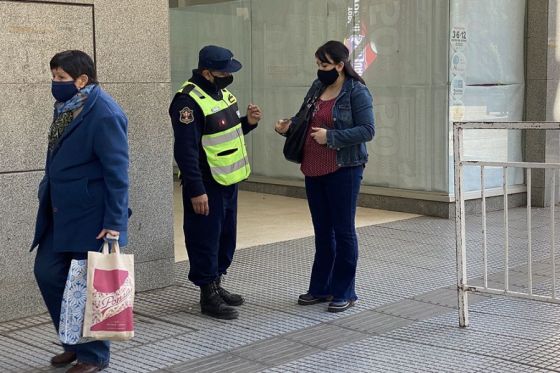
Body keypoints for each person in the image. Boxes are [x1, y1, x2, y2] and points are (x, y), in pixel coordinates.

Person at [31, 50, 130, 373]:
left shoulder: (104, 113)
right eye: (54, 76)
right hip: (61, 210)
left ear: (82, 80)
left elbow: (118, 172)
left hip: (92, 216)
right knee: (47, 273)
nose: (54, 83)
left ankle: (93, 355)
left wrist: (114, 222)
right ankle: (73, 343)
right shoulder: (68, 107)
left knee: (87, 285)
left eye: (61, 78)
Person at [275, 40, 375, 313]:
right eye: (318, 64)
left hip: (344, 169)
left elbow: (367, 130)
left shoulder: (357, 91)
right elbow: (302, 117)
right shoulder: (317, 87)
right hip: (313, 168)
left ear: (340, 66)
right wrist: (287, 126)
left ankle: (345, 291)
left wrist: (330, 136)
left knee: (343, 231)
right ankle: (321, 288)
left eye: (325, 65)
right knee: (322, 232)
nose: (320, 69)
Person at [170, 45, 262, 320]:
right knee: (204, 238)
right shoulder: (187, 102)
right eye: (223, 71)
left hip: (228, 180)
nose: (228, 75)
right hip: (205, 183)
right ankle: (207, 294)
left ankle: (217, 282)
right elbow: (185, 151)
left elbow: (224, 133)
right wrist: (196, 190)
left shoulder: (221, 95)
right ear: (207, 72)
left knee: (225, 236)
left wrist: (249, 123)